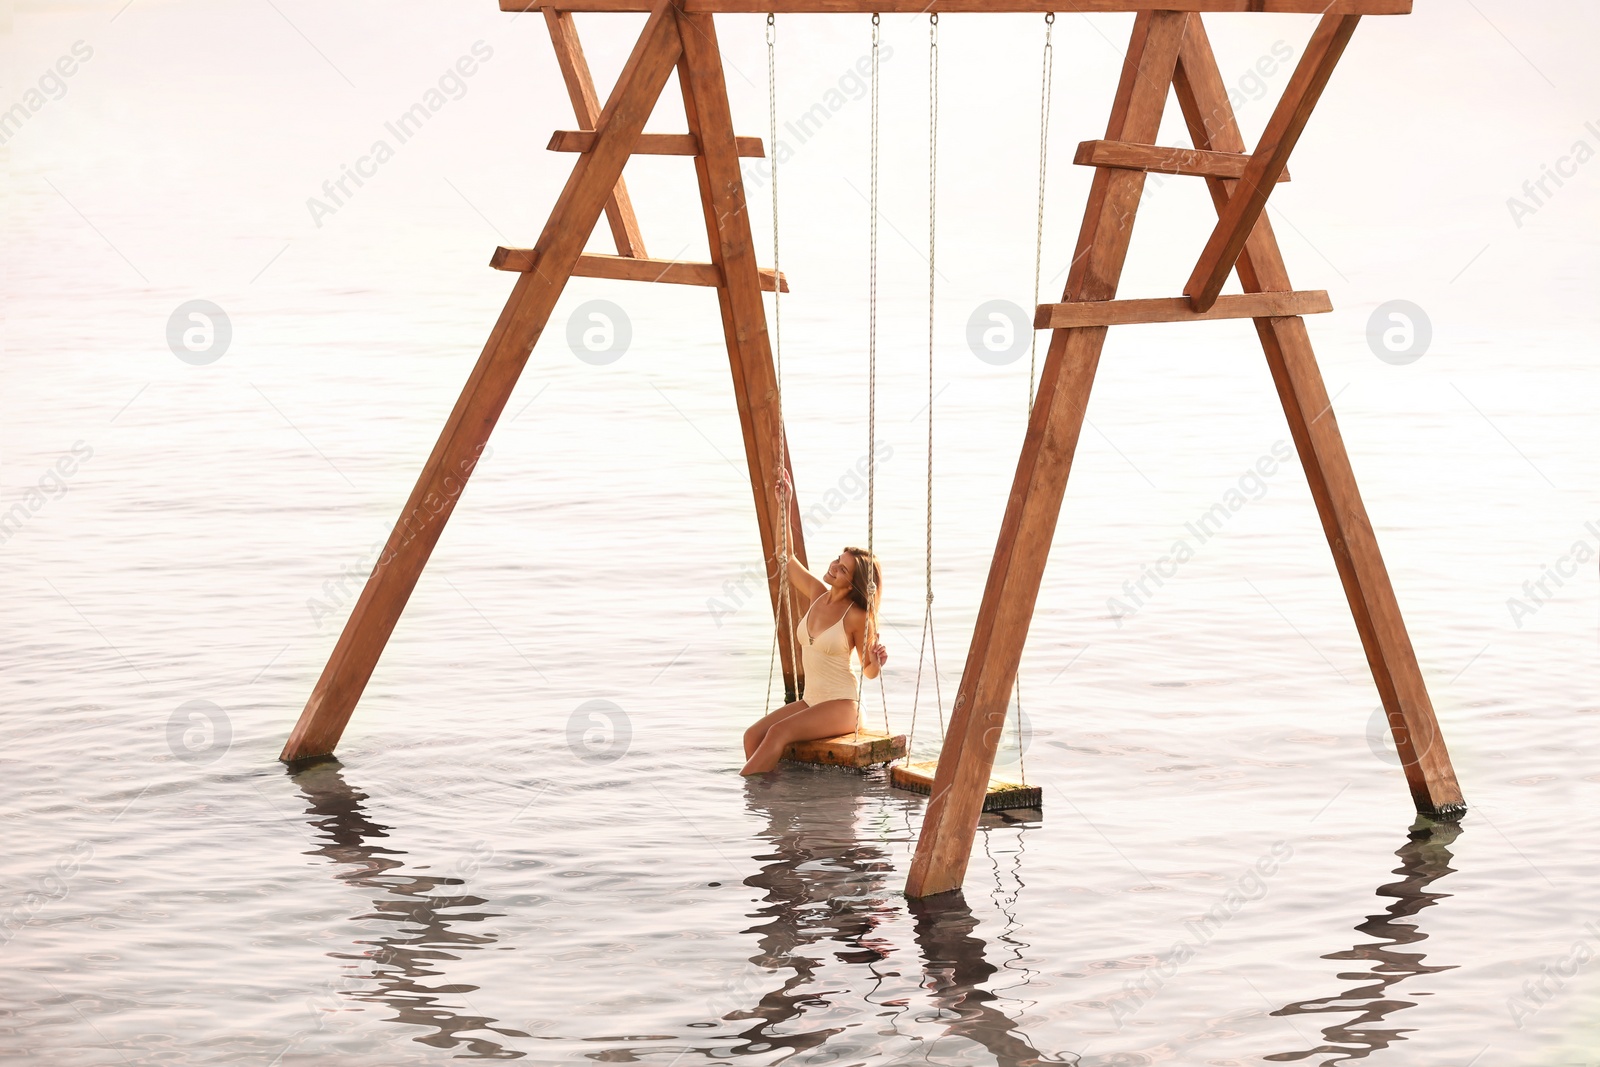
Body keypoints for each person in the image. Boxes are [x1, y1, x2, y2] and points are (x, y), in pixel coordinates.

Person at [741, 468, 888, 776]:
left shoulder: (857, 616)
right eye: (838, 559)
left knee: (778, 733)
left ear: (853, 584)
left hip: (842, 706)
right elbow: (785, 555)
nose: (834, 566)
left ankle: (745, 791)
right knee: (752, 736)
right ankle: (771, 794)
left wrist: (875, 660)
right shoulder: (817, 594)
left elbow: (869, 672)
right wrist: (785, 505)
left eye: (843, 569)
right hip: (811, 701)